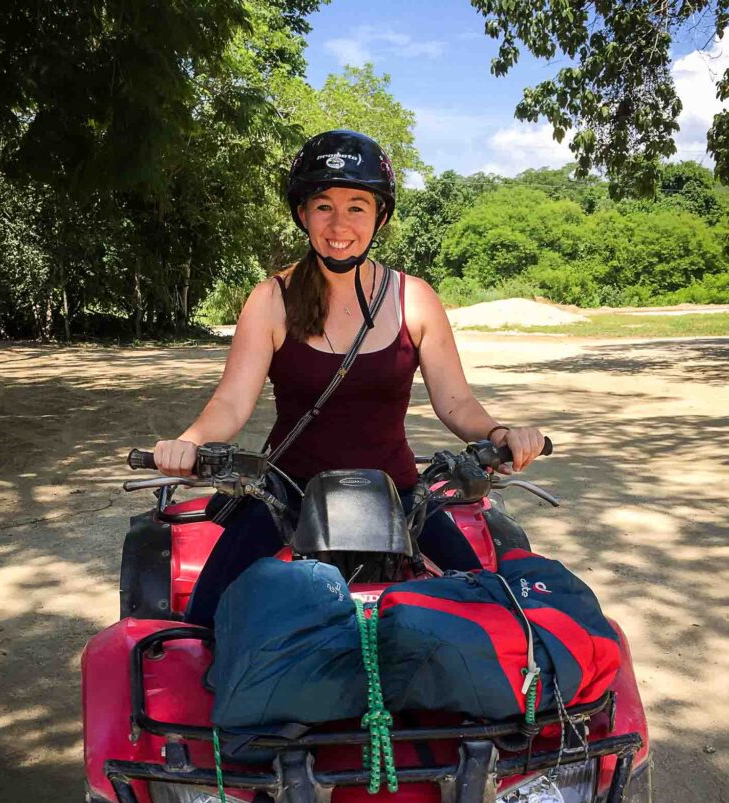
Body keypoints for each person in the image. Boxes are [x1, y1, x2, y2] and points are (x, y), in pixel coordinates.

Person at [153, 129, 545, 625]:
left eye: (356, 206)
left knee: (497, 620)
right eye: (323, 205)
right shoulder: (272, 298)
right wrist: (187, 443)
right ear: (303, 213)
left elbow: (456, 404)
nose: (339, 224)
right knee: (200, 626)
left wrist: (499, 433)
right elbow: (231, 403)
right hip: (286, 498)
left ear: (379, 216)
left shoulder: (414, 298)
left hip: (399, 497)